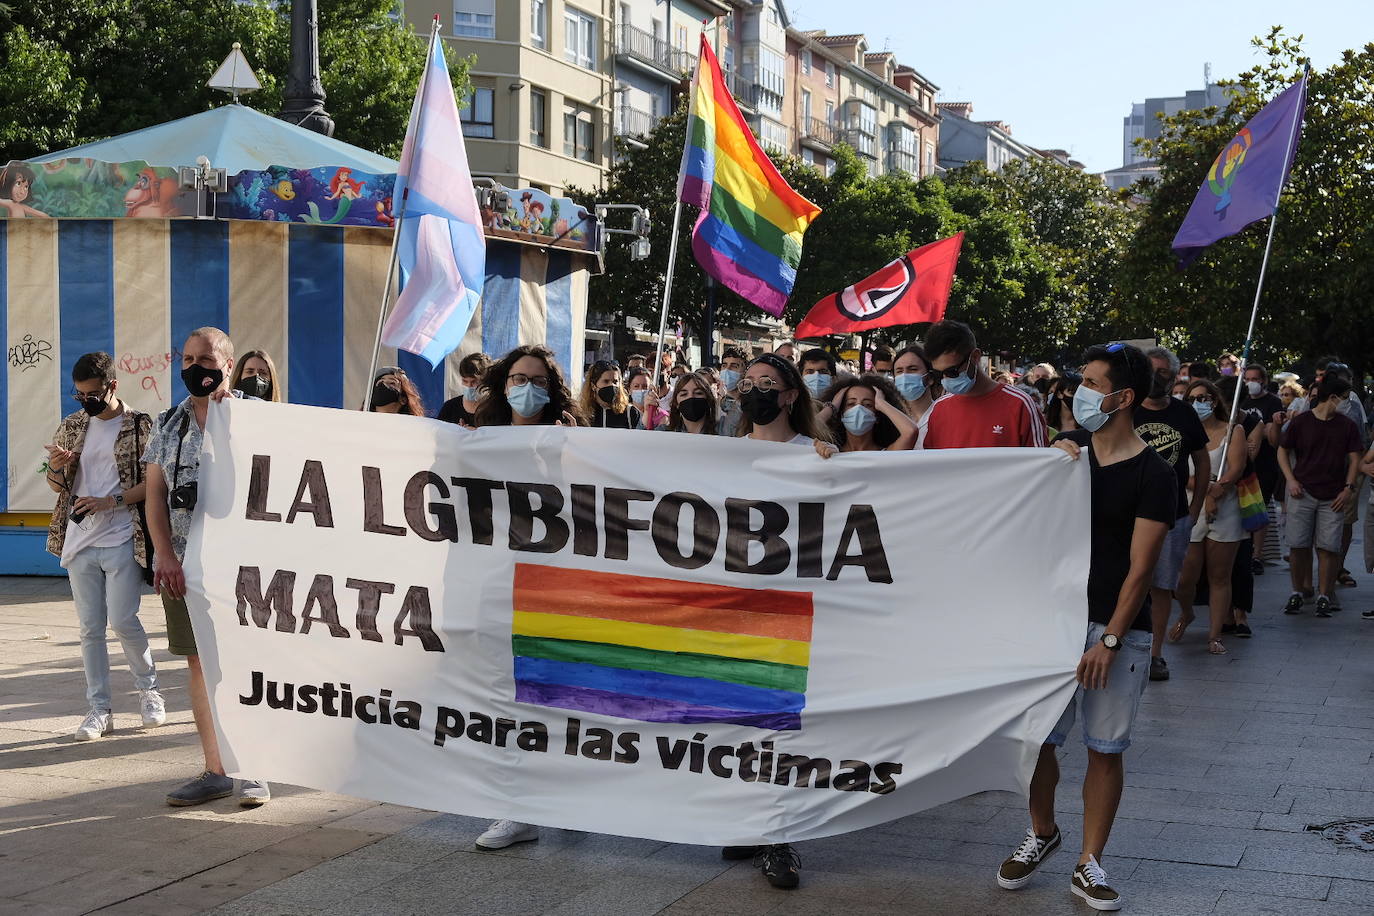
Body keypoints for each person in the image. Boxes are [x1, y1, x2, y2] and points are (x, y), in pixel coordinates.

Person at [997, 343, 1172, 912]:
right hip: (1052, 622)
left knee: (1104, 747)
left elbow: (1142, 568)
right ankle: (1043, 831)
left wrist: (1112, 639)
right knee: (1037, 740)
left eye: (1094, 383)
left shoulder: (1155, 474)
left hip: (1115, 629)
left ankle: (1089, 862)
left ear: (1123, 397)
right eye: (1080, 382)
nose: (1079, 392)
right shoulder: (1063, 460)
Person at [142, 327, 270, 807]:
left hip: (245, 565)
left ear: (228, 363)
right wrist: (164, 554)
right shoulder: (167, 423)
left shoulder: (252, 417)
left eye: (207, 357)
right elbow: (154, 494)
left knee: (245, 661)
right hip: (183, 564)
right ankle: (215, 769)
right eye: (188, 358)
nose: (196, 366)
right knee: (199, 663)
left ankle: (256, 768)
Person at [722, 352, 833, 889]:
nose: (757, 391)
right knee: (740, 718)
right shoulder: (722, 455)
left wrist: (832, 463)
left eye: (768, 383)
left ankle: (779, 836)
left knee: (779, 723)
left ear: (791, 395)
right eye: (749, 383)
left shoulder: (814, 454)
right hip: (731, 607)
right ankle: (751, 821)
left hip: (788, 609)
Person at [45, 352, 165, 741]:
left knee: (124, 619)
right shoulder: (73, 424)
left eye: (92, 394)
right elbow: (55, 486)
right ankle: (99, 709)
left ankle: (149, 691)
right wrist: (57, 467)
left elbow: (154, 484)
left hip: (121, 536)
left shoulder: (140, 426)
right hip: (80, 540)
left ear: (112, 386)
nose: (85, 402)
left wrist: (110, 501)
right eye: (79, 395)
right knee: (89, 629)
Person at [1131, 346, 1209, 682]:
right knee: (1126, 582)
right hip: (1127, 515)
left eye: (1163, 371)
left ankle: (1155, 655)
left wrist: (1194, 508)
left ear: (1175, 375)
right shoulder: (1126, 411)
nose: (1156, 377)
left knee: (1161, 587)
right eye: (1151, 370)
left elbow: (1202, 461)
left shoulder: (1184, 414)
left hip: (1172, 515)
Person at [1167, 379, 1248, 656]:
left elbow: (1236, 467)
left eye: (1204, 397)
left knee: (1220, 576)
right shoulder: (1181, 431)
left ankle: (1214, 635)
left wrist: (1217, 491)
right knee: (1184, 578)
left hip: (1226, 508)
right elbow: (1175, 469)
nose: (1199, 403)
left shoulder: (1232, 431)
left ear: (1215, 401)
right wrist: (1204, 491)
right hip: (1190, 508)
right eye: (1192, 398)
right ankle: (1187, 613)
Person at [1278, 374, 1363, 616]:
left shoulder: (1347, 426)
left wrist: (1348, 488)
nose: (1348, 403)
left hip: (1333, 495)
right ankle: (1297, 592)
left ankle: (1324, 595)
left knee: (1328, 547)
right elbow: (1283, 451)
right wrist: (1291, 480)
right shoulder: (1301, 422)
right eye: (1345, 398)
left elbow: (1355, 459)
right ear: (1333, 397)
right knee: (1298, 545)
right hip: (1302, 492)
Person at [922, 320, 1048, 449]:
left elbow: (1040, 463)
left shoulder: (1020, 404)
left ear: (975, 357)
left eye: (952, 371)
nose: (945, 379)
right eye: (938, 374)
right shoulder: (939, 409)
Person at [473, 345, 584, 430]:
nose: (528, 387)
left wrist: (572, 442)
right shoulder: (488, 432)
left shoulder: (564, 431)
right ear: (504, 385)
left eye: (539, 381)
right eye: (520, 379)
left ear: (550, 389)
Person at [1240, 364, 1285, 574]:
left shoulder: (1273, 402)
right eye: (1247, 378)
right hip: (1242, 462)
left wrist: (1266, 430)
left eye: (1254, 379)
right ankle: (1244, 549)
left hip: (1266, 464)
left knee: (1261, 506)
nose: (1251, 382)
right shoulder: (1242, 401)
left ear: (1263, 381)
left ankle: (1257, 555)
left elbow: (1272, 435)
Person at [819, 374, 917, 451]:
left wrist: (882, 403)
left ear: (877, 415)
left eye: (868, 405)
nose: (858, 408)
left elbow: (910, 432)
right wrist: (832, 407)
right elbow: (806, 432)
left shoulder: (887, 454)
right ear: (841, 413)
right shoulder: (829, 451)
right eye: (851, 404)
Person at [579, 359, 641, 429]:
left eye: (615, 382)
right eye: (606, 381)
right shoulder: (581, 413)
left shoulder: (630, 413)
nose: (611, 385)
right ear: (593, 386)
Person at [892, 345, 937, 439]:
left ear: (930, 378)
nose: (904, 376)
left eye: (913, 369)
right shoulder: (891, 418)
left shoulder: (942, 415)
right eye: (899, 371)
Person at [437, 352, 493, 427]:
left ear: (486, 381)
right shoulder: (450, 407)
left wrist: (476, 433)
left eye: (474, 382)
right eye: (465, 381)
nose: (469, 386)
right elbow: (438, 434)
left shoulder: (495, 408)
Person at [664, 370, 720, 435]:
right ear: (676, 403)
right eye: (684, 394)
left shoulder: (722, 430)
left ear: (708, 399)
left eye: (698, 393)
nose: (691, 397)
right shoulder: (663, 432)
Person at [718, 346, 747, 438]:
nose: (727, 370)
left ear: (745, 372)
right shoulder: (716, 404)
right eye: (724, 365)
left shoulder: (748, 407)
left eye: (734, 366)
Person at [1045, 372, 1083, 438]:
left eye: (1080, 393)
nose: (1076, 397)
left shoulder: (1088, 423)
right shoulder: (1045, 422)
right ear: (1059, 394)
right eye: (1072, 392)